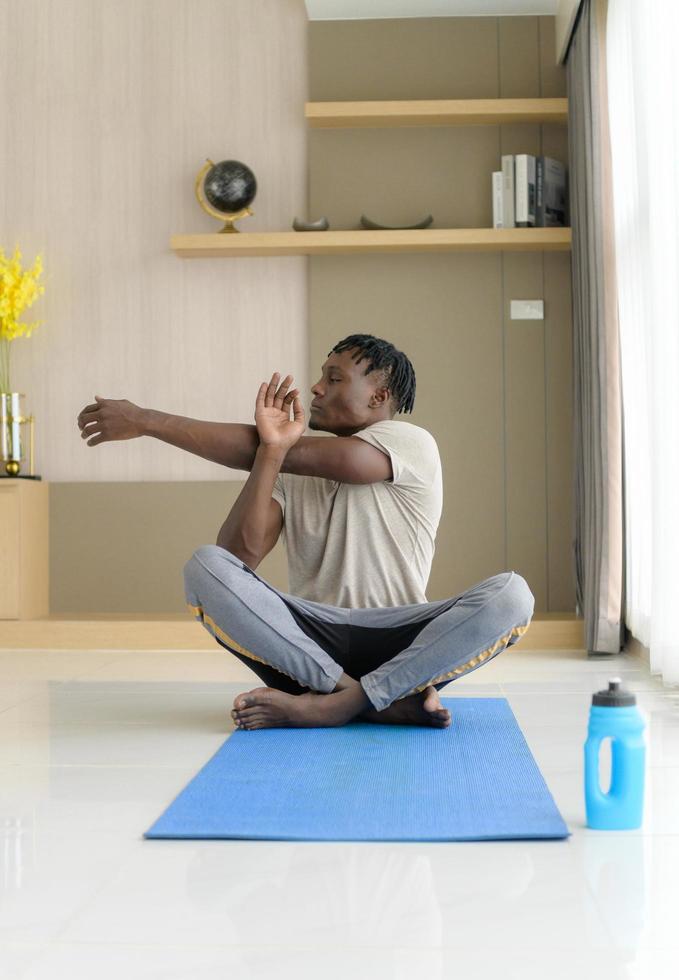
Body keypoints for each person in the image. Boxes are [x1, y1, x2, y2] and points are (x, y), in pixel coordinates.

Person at [76, 333, 535, 732]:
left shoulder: (410, 442)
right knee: (204, 566)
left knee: (512, 596)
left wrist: (148, 421)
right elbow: (239, 556)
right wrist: (271, 453)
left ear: (380, 395)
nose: (316, 387)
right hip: (309, 646)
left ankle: (335, 707)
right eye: (321, 376)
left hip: (403, 640)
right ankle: (369, 700)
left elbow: (342, 461)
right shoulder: (290, 462)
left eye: (334, 379)